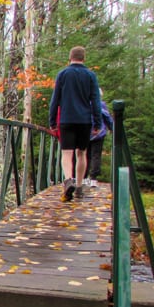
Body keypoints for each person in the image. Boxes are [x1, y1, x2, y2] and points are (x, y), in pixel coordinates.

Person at [48, 46, 101, 201]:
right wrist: (97, 123)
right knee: (81, 153)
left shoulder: (63, 74)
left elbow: (55, 100)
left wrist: (52, 121)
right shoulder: (91, 75)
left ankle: (67, 180)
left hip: (66, 119)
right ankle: (78, 187)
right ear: (83, 58)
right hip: (84, 120)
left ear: (70, 58)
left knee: (66, 153)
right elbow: (96, 101)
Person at [84, 94, 113, 187]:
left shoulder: (83, 104)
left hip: (85, 133)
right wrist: (111, 128)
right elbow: (107, 117)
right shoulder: (100, 104)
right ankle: (93, 178)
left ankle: (83, 178)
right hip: (98, 133)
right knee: (96, 155)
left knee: (85, 155)